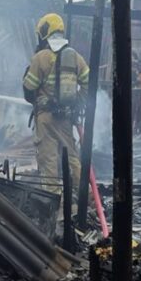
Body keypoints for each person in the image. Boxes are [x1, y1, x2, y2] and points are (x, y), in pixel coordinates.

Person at [22, 13, 90, 199]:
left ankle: (54, 203)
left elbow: (29, 89)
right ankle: (85, 197)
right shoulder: (76, 57)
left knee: (48, 160)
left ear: (45, 32)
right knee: (73, 158)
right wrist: (76, 102)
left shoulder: (41, 57)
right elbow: (88, 83)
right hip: (66, 118)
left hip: (45, 118)